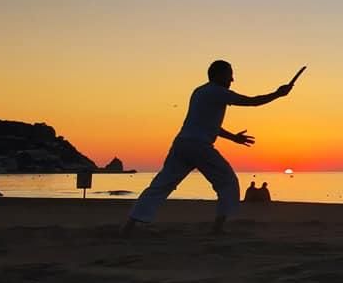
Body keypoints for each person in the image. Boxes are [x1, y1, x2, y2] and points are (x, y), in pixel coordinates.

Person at [122, 60, 302, 235]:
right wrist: (278, 94)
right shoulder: (218, 92)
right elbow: (252, 102)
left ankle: (129, 226)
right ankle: (218, 228)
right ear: (218, 75)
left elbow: (207, 124)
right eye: (230, 75)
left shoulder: (199, 92)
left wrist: (233, 137)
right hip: (199, 146)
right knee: (227, 182)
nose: (232, 80)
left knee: (160, 185)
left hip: (182, 144)